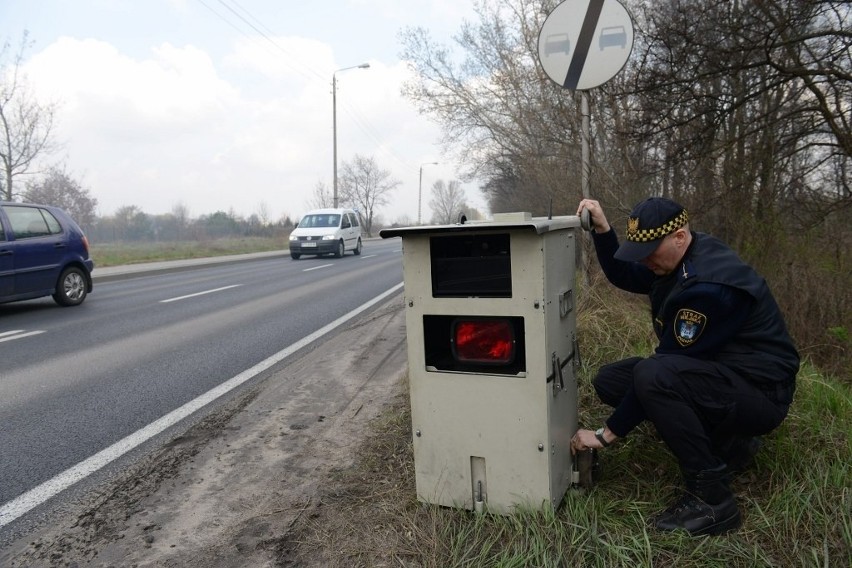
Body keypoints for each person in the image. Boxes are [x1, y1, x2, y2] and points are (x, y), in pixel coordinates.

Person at [571, 197, 799, 536]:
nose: (645, 260)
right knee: (612, 380)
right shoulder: (680, 257)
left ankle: (713, 499)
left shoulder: (707, 287)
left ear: (679, 236)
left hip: (762, 393)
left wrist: (605, 436)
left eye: (650, 251)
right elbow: (625, 274)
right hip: (724, 374)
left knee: (652, 376)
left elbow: (662, 369)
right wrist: (604, 230)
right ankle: (731, 446)